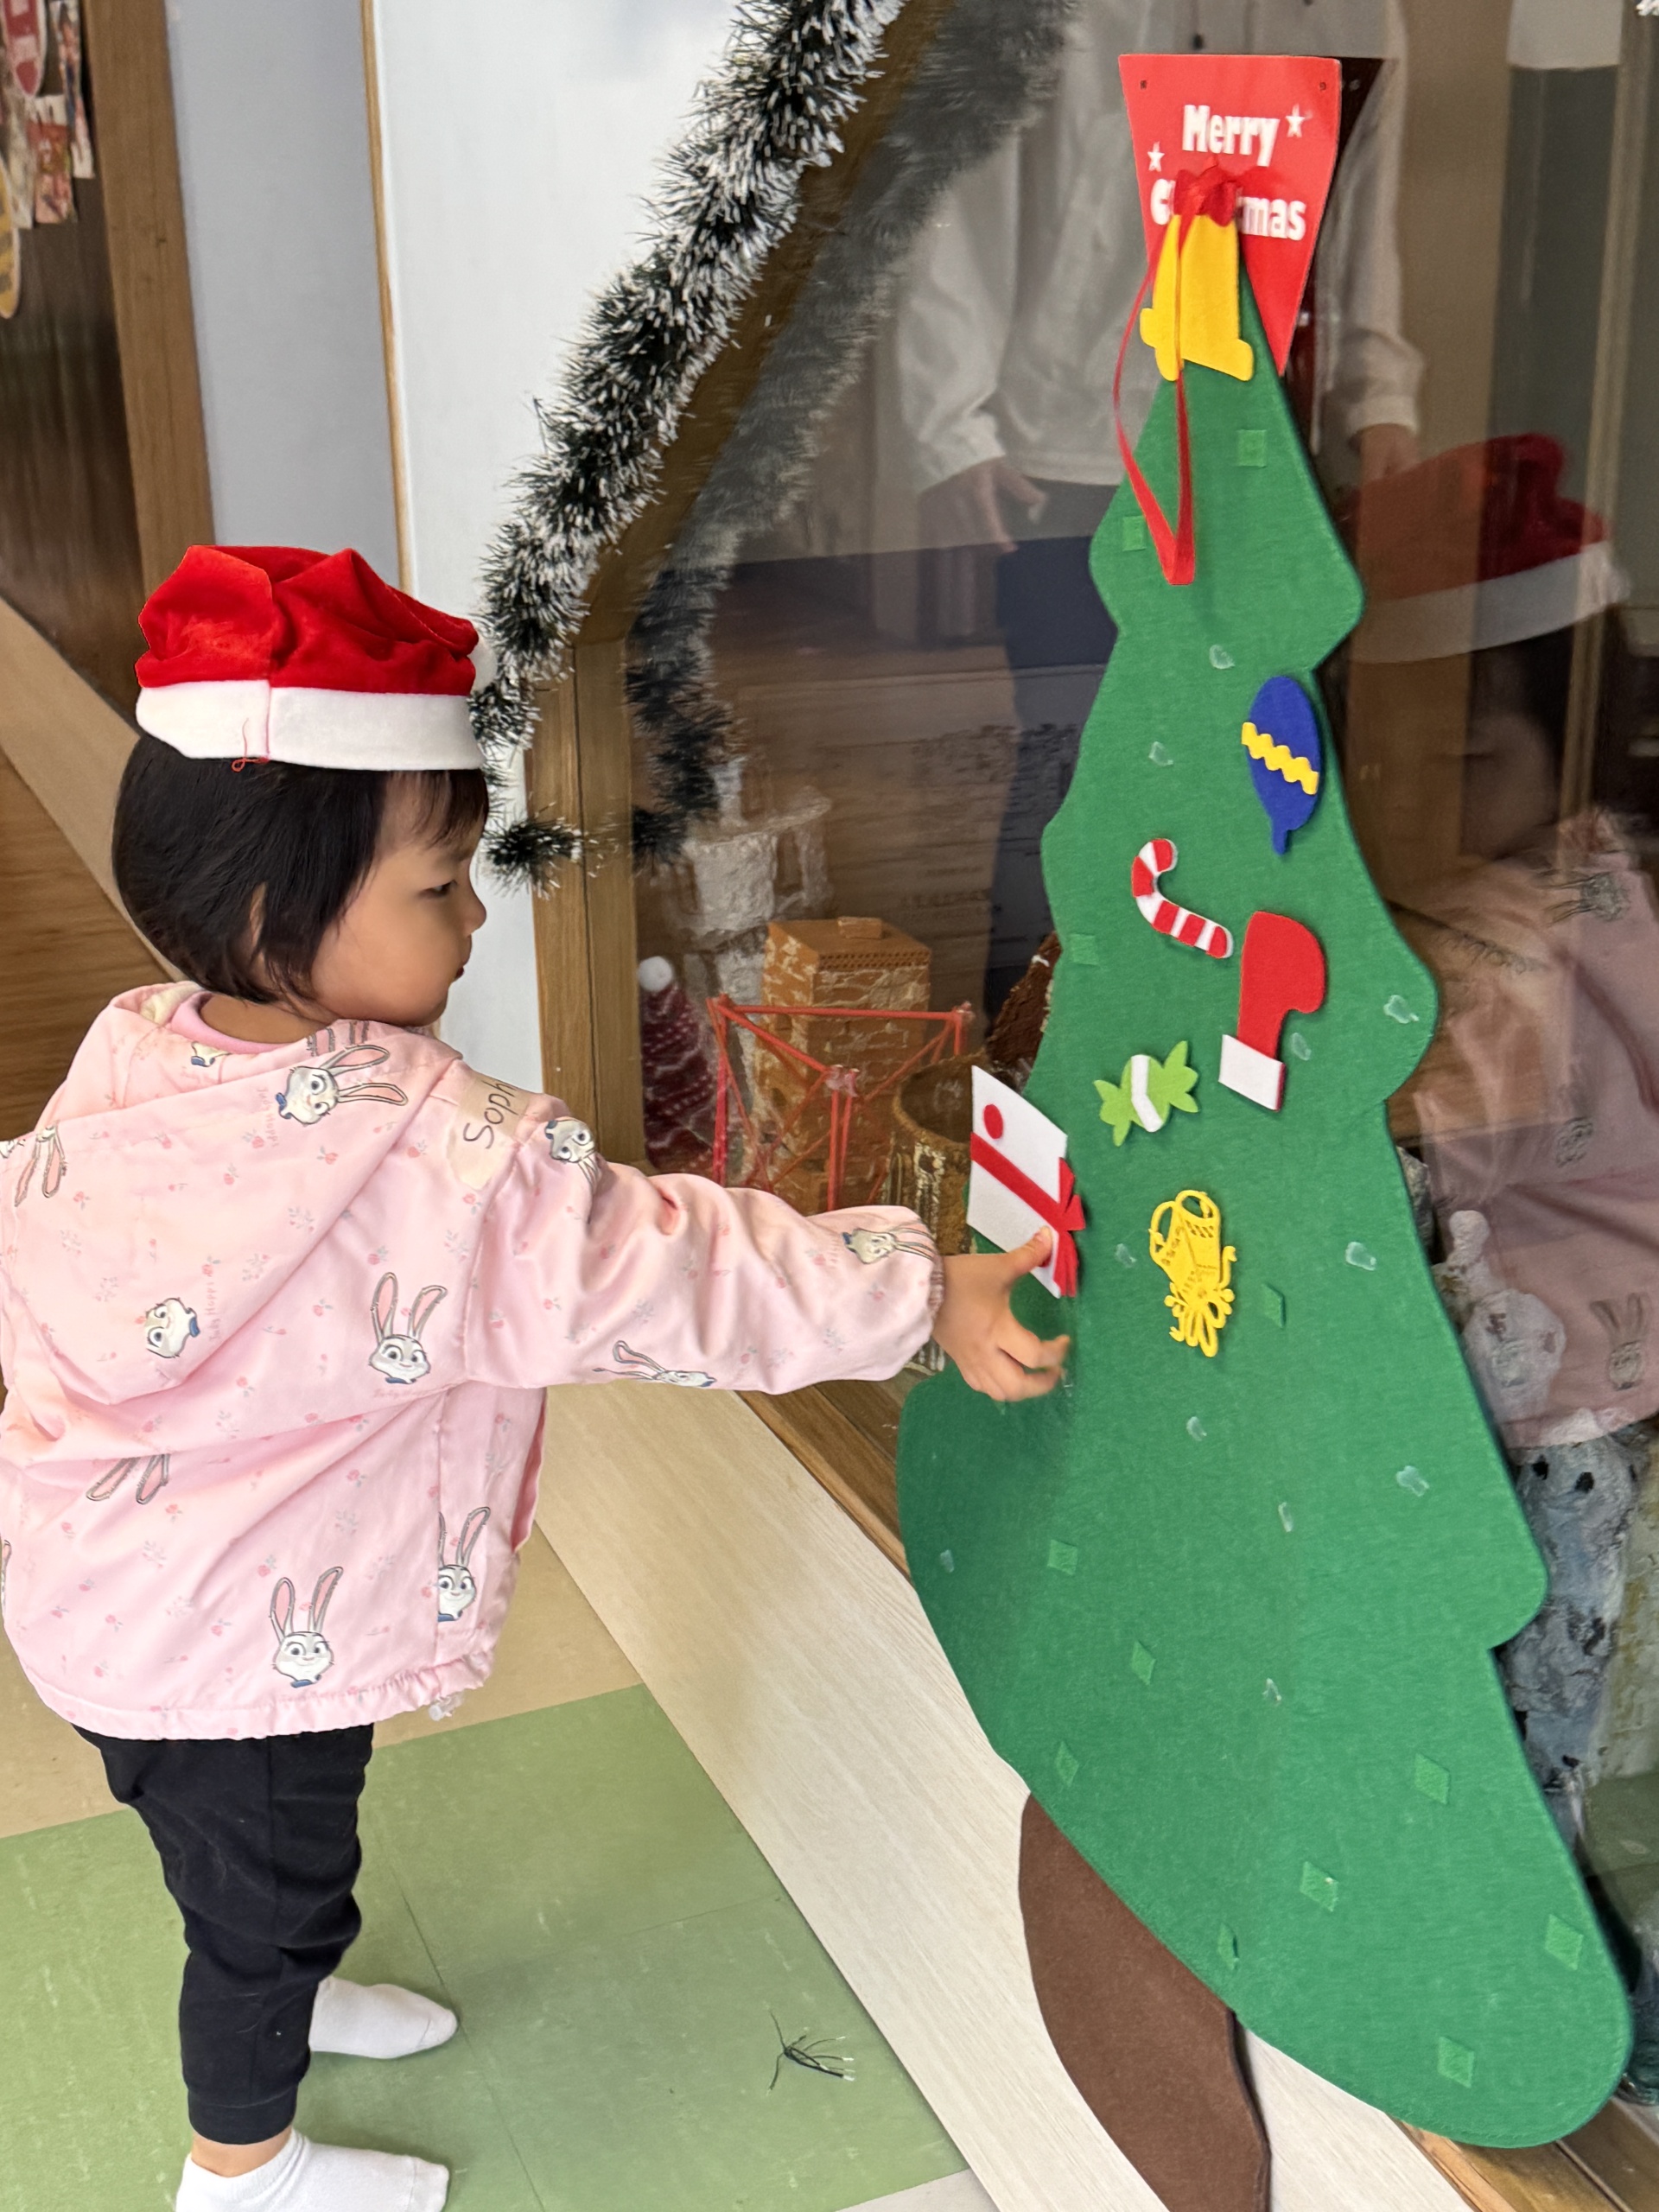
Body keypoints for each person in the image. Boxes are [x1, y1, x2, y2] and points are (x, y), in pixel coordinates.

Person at [0, 544, 1068, 2212]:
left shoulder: (143, 1040)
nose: (478, 917)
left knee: (248, 1871)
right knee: (257, 1913)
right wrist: (919, 1292)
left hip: (112, 1615)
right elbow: (676, 1272)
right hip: (227, 1646)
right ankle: (243, 2166)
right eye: (441, 887)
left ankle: (291, 1987)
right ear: (279, 917)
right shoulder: (439, 1157)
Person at [893, 0, 1425, 1007]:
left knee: (1254, 775)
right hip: (1072, 446)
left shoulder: (1360, 14)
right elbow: (962, 183)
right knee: (1072, 770)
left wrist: (1378, 395)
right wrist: (951, 423)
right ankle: (1026, 1041)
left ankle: (1202, 1037)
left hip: (1269, 446)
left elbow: (1356, 205)